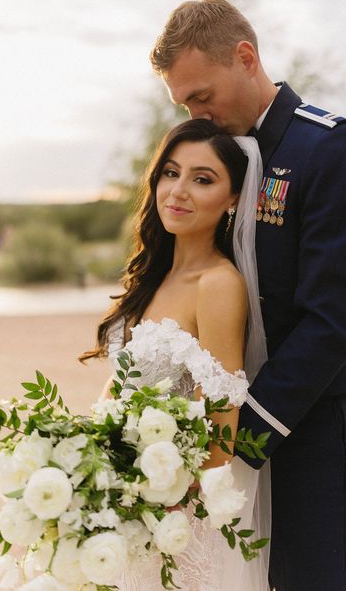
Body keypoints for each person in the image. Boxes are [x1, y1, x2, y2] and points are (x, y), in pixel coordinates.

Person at [149, 0, 346, 591]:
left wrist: (240, 442)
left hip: (300, 434)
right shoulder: (213, 155)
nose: (197, 114)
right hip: (211, 437)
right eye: (185, 104)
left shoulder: (328, 149)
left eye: (202, 95)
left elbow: (331, 319)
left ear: (246, 57)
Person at [84, 118, 271, 591]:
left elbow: (224, 414)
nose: (179, 190)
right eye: (171, 173)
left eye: (202, 179)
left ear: (233, 200)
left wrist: (169, 507)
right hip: (126, 500)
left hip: (177, 521)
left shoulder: (218, 285)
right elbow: (120, 386)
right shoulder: (153, 277)